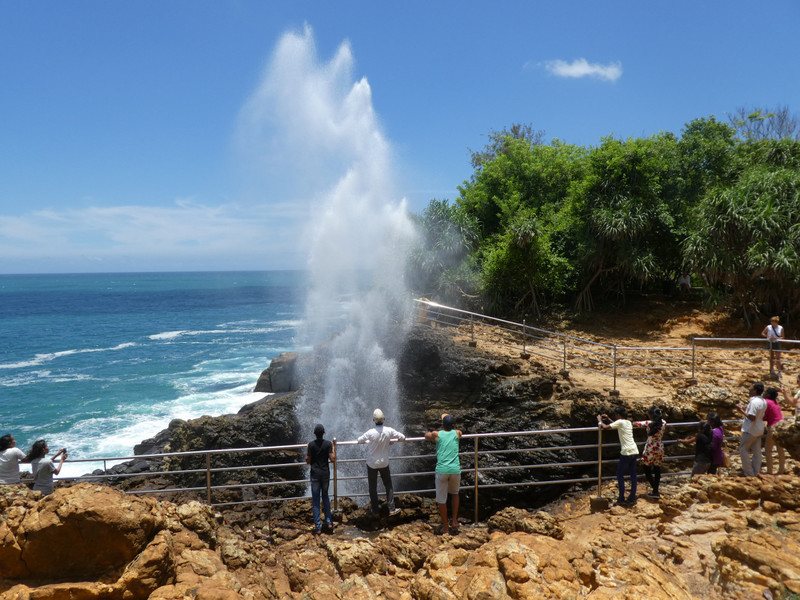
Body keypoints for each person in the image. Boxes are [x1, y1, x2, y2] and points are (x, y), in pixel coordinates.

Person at [357, 409, 405, 516]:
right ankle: (391, 508)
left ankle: (375, 510)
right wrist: (390, 441)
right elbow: (402, 437)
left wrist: (370, 442)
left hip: (372, 463)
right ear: (383, 419)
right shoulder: (389, 430)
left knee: (372, 487)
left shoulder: (370, 432)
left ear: (373, 420)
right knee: (388, 485)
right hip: (384, 463)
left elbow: (359, 440)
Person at [425, 413, 462, 534]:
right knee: (455, 494)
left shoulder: (437, 434)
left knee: (442, 500)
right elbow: (459, 431)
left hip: (442, 470)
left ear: (442, 425)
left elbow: (427, 436)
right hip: (455, 470)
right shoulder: (457, 433)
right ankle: (455, 521)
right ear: (453, 425)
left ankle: (446, 527)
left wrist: (429, 432)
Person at [598, 407, 639, 506]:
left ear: (619, 415)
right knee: (633, 475)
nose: (615, 417)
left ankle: (621, 498)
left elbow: (605, 427)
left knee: (620, 474)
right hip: (634, 450)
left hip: (626, 452)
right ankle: (632, 496)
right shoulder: (628, 422)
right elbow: (615, 424)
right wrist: (608, 419)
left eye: (616, 415)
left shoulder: (620, 422)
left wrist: (599, 420)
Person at [306, 423, 336, 534]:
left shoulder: (311, 445)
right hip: (325, 474)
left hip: (314, 474)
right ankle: (328, 522)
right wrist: (333, 448)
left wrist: (308, 455)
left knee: (315, 501)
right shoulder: (328, 444)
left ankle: (318, 527)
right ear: (323, 433)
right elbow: (333, 459)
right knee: (325, 497)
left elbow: (308, 461)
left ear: (315, 434)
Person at [633, 407, 666, 499]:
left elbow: (636, 423)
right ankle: (655, 491)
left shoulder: (649, 423)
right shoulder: (663, 423)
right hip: (659, 447)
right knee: (657, 469)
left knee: (646, 468)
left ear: (651, 415)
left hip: (650, 448)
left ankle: (655, 490)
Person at [739, 382, 767, 476]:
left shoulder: (754, 402)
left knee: (743, 450)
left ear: (755, 390)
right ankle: (756, 472)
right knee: (757, 451)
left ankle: (749, 473)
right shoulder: (763, 401)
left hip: (750, 429)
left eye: (751, 387)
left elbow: (752, 417)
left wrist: (741, 410)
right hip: (759, 429)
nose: (749, 389)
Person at [763, 387, 786, 475]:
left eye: (765, 392)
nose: (764, 394)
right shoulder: (775, 403)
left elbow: (763, 416)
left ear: (768, 395)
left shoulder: (766, 402)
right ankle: (781, 470)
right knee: (780, 450)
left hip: (773, 427)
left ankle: (770, 471)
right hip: (781, 427)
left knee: (768, 450)